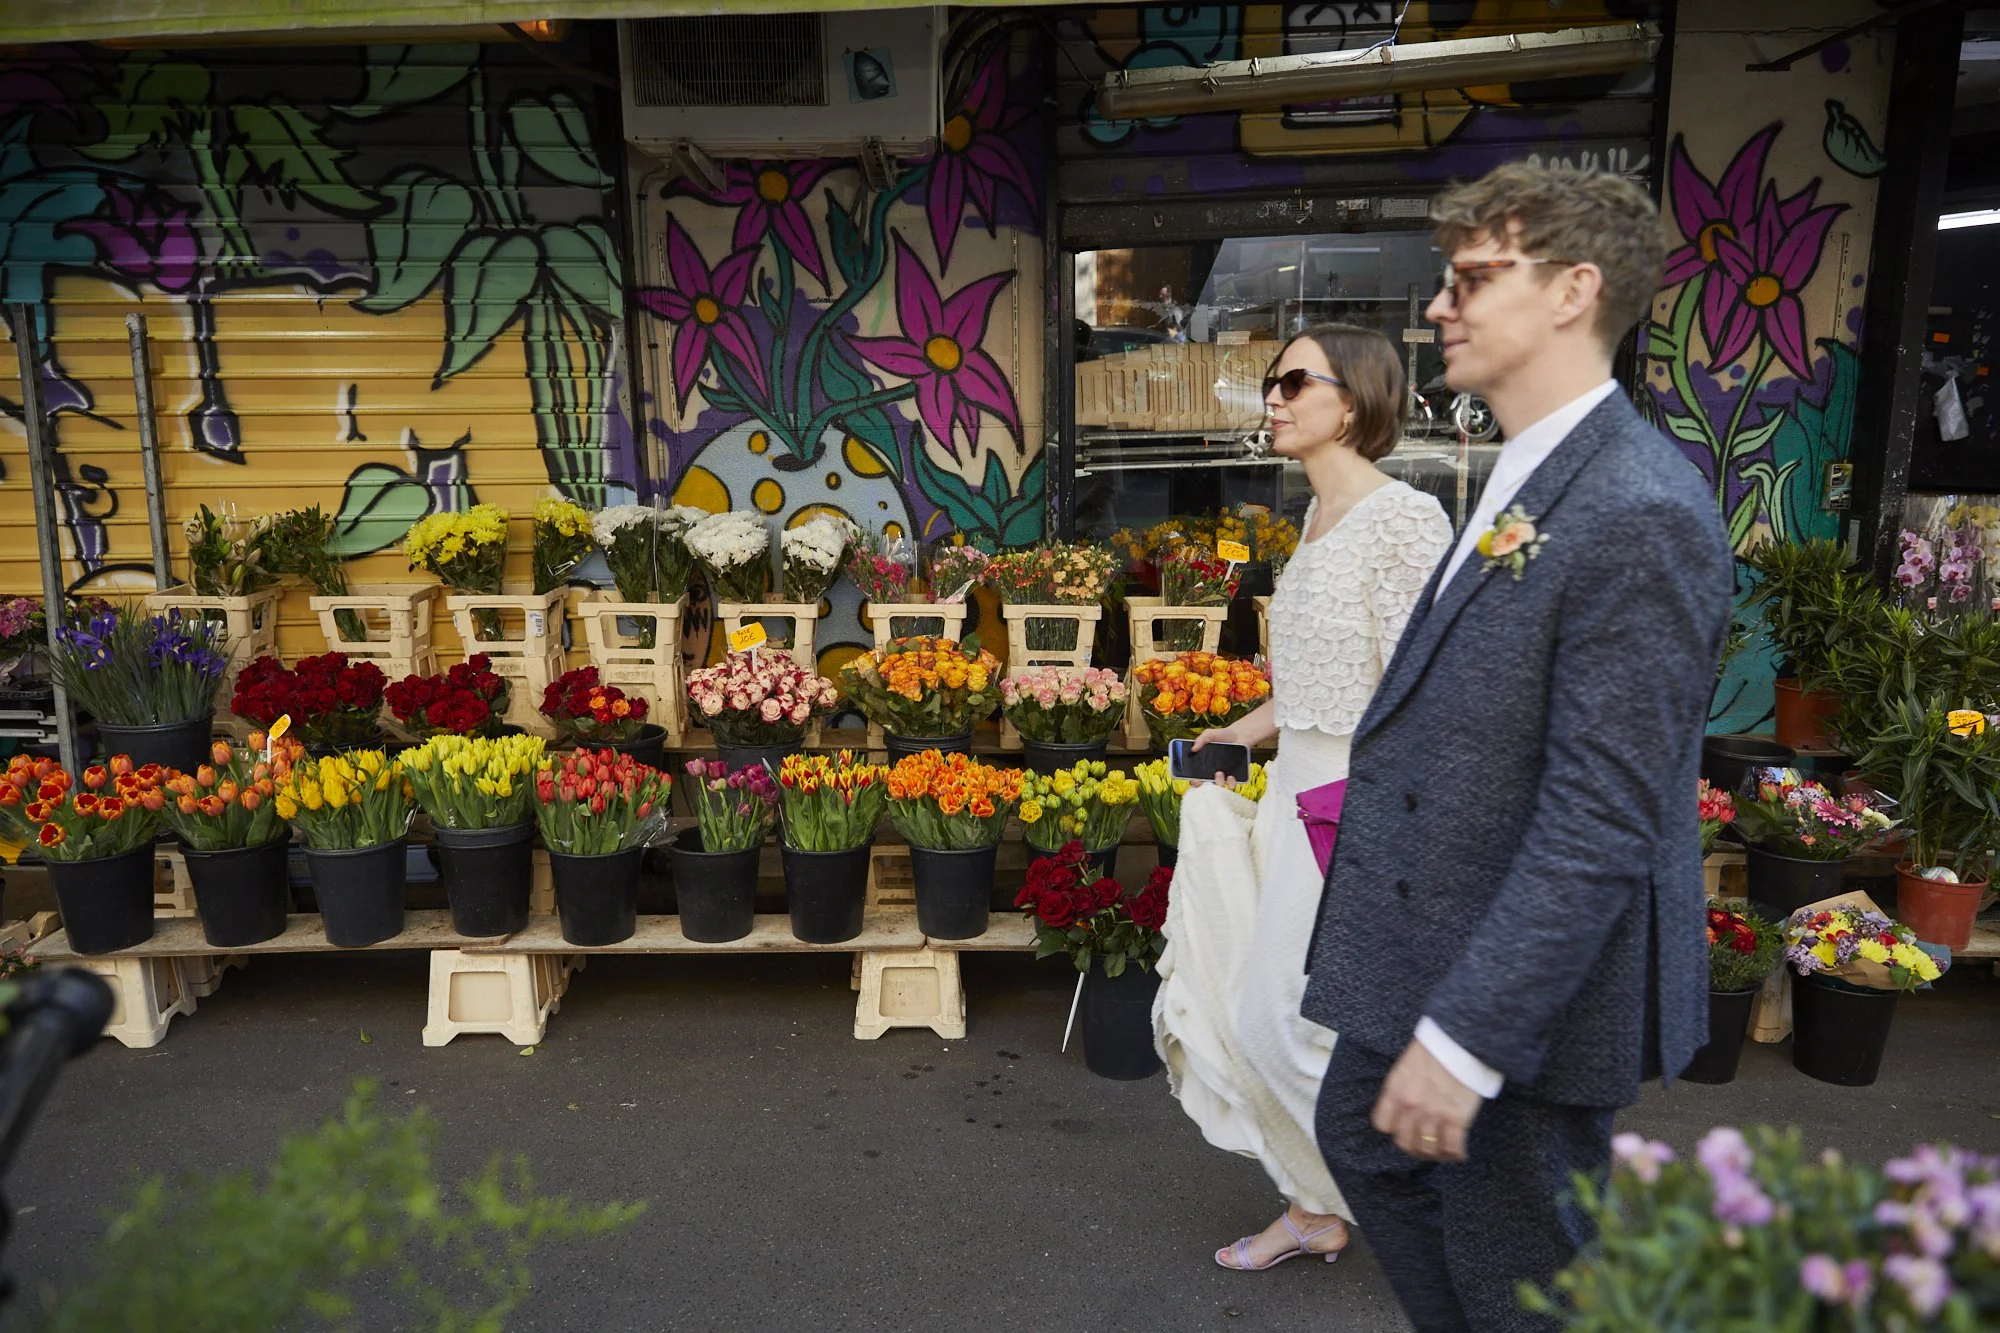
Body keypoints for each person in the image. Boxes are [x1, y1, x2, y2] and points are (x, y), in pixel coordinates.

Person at [1301, 164, 1734, 1329]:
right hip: (1435, 922)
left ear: (1571, 291)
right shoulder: (1529, 470)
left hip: (1525, 978)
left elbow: (1604, 812)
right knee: (1360, 1136)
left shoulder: (1638, 510)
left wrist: (1464, 1036)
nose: (1439, 305)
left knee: (1523, 1265)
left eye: (1472, 278)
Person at [1151, 324, 1452, 1271]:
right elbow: (1323, 678)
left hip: (1354, 803)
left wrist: (1386, 818)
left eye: (1292, 380)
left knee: (1278, 1015)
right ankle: (1316, 1201)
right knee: (1263, 1001)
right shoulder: (1315, 522)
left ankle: (1421, 1191)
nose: (1272, 396)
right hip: (1296, 790)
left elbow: (1421, 687)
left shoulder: (1404, 520)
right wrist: (1240, 732)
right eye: (1271, 381)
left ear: (1353, 402)